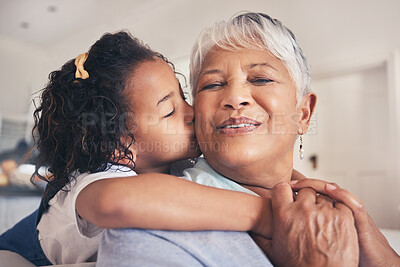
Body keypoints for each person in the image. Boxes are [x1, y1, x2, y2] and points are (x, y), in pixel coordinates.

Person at [96, 12, 399, 267]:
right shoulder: (146, 227)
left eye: (261, 79)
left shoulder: (336, 221)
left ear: (304, 114)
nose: (235, 97)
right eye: (213, 84)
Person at [0, 31, 288, 266]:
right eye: (169, 112)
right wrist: (268, 215)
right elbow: (114, 201)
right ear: (116, 147)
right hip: (20, 252)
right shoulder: (97, 180)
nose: (191, 112)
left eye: (183, 97)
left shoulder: (173, 165)